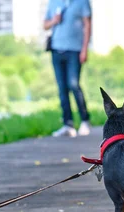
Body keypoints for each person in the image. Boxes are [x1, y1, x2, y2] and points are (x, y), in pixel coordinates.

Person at [44, 0, 92, 137]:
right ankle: (68, 124)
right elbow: (45, 25)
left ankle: (85, 120)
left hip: (75, 50)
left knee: (73, 84)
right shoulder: (53, 2)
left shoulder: (82, 2)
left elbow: (87, 25)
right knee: (62, 88)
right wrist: (54, 21)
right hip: (56, 50)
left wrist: (85, 49)